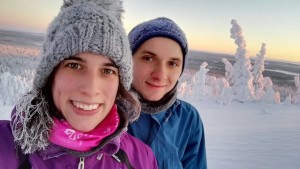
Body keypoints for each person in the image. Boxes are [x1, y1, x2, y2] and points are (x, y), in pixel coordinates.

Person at [0, 0, 158, 168]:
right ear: (50, 75)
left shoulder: (142, 159)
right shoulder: (6, 146)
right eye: (74, 66)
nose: (91, 89)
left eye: (107, 71)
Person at [127, 17, 207, 169]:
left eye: (172, 63)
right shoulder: (102, 112)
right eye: (148, 58)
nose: (160, 75)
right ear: (127, 60)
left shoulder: (188, 118)